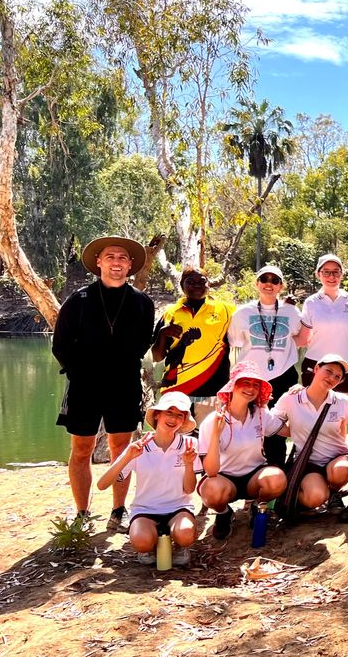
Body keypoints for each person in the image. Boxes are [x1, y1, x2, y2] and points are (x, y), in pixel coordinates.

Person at [53, 235, 156, 529]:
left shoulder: (142, 302)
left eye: (122, 258)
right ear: (98, 262)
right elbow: (60, 345)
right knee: (81, 449)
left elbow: (142, 345)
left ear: (130, 265)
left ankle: (118, 511)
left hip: (124, 385)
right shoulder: (78, 300)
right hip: (84, 386)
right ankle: (82, 514)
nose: (116, 263)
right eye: (110, 257)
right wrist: (80, 372)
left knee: (122, 447)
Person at [95, 391, 198, 565]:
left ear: (184, 420)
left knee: (186, 534)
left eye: (179, 415)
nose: (173, 419)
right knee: (141, 542)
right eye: (169, 412)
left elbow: (189, 489)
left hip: (179, 508)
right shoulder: (140, 446)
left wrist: (189, 464)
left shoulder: (189, 445)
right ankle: (150, 543)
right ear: (157, 415)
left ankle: (180, 545)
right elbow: (102, 484)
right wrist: (127, 457)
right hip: (145, 510)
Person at [270, 354, 348, 522]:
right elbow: (270, 423)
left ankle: (334, 493)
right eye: (328, 371)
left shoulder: (342, 401)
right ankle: (302, 498)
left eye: (337, 377)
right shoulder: (291, 398)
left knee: (341, 470)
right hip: (309, 463)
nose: (332, 378)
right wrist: (294, 431)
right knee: (315, 497)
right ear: (316, 369)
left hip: (337, 458)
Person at [227, 265, 309, 470]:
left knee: (279, 426)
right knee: (249, 424)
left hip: (284, 375)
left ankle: (278, 472)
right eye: (264, 279)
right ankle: (249, 471)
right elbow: (235, 342)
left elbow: (301, 339)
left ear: (281, 286)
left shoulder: (292, 312)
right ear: (257, 284)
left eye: (275, 280)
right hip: (252, 377)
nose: (269, 284)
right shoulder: (243, 313)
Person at [197, 362, 288, 540]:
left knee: (277, 478)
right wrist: (216, 434)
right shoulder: (212, 420)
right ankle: (224, 513)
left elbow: (289, 431)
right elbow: (211, 471)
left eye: (255, 385)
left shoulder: (260, 414)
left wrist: (293, 400)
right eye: (245, 382)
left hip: (254, 476)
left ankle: (257, 506)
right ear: (233, 386)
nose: (250, 388)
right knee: (211, 491)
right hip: (225, 479)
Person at [152, 267, 234, 426]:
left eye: (202, 281)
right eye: (190, 282)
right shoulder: (171, 313)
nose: (197, 285)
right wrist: (162, 334)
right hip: (176, 390)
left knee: (208, 438)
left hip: (212, 389)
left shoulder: (226, 310)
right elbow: (156, 357)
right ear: (182, 285)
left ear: (208, 284)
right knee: (174, 437)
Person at [299, 254, 348, 393]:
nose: (331, 276)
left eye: (336, 272)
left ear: (342, 274)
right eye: (326, 272)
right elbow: (303, 338)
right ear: (318, 274)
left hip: (346, 363)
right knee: (312, 404)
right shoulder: (310, 302)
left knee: (343, 405)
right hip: (316, 362)